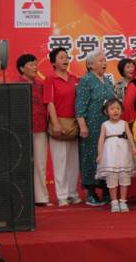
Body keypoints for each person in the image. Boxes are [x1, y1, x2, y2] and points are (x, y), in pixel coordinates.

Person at [76, 49, 115, 206]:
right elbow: (80, 105)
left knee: (106, 156)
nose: (104, 63)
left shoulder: (108, 81)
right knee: (91, 157)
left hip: (108, 125)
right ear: (90, 65)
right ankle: (90, 192)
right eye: (100, 61)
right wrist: (82, 126)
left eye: (105, 60)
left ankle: (105, 190)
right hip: (91, 125)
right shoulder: (86, 80)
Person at [43, 47, 81, 207]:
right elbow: (49, 102)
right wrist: (56, 123)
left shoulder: (74, 78)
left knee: (73, 162)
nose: (65, 60)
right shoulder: (50, 79)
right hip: (59, 122)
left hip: (73, 123)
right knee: (60, 161)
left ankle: (73, 193)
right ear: (53, 62)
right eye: (61, 57)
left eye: (66, 57)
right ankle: (62, 195)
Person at [16, 54, 50, 206]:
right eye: (31, 65)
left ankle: (41, 198)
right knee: (21, 164)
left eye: (35, 64)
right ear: (22, 68)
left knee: (40, 163)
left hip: (40, 128)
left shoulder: (41, 84)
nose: (35, 67)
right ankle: (22, 197)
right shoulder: (16, 86)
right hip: (21, 130)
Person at [95, 99, 136, 213]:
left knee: (124, 176)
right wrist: (100, 154)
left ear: (122, 111)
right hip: (110, 154)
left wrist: (133, 147)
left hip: (123, 153)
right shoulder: (105, 125)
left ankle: (123, 201)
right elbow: (101, 140)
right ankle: (114, 202)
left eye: (118, 108)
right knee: (112, 178)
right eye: (112, 109)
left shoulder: (124, 123)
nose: (115, 111)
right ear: (106, 111)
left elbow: (130, 136)